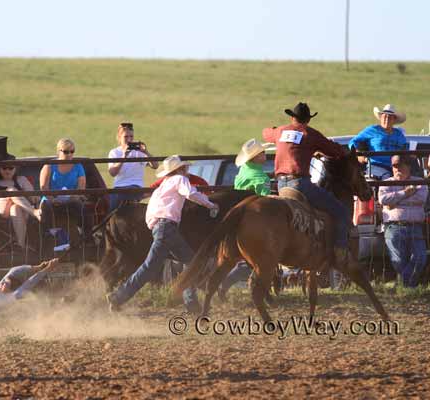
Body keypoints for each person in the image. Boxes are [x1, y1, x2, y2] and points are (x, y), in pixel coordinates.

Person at [106, 155, 219, 314]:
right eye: (185, 168)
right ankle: (118, 297)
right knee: (154, 267)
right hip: (167, 228)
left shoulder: (163, 186)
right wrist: (210, 204)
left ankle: (192, 304)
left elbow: (151, 214)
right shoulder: (180, 179)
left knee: (187, 263)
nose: (187, 170)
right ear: (179, 169)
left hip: (159, 228)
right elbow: (191, 193)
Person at [263, 102, 350, 267]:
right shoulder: (310, 134)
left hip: (281, 185)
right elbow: (334, 151)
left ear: (292, 117)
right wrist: (342, 150)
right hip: (300, 184)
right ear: (308, 120)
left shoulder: (280, 131)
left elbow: (266, 133)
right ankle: (340, 251)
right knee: (341, 211)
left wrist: (274, 129)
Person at [218, 139, 272, 297]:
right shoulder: (261, 177)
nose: (265, 154)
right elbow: (265, 202)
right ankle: (232, 283)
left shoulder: (243, 171)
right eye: (262, 153)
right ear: (255, 157)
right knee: (260, 256)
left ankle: (225, 284)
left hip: (238, 215)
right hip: (255, 218)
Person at [378, 155, 428, 287]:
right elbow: (383, 200)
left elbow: (421, 199)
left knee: (420, 258)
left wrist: (395, 202)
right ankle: (409, 288)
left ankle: (404, 286)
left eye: (400, 165)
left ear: (409, 167)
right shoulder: (385, 183)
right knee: (398, 261)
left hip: (415, 226)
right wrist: (406, 192)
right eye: (395, 166)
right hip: (393, 227)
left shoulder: (419, 182)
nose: (397, 168)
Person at [0, 157, 40, 248]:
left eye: (10, 168)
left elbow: (34, 198)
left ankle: (20, 246)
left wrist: (32, 197)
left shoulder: (21, 180)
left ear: (15, 168)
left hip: (20, 210)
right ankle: (34, 212)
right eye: (4, 168)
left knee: (16, 208)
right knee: (11, 190)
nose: (7, 171)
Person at [39, 138, 87, 241]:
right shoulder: (49, 166)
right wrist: (52, 199)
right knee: (46, 208)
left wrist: (74, 197)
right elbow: (44, 187)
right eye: (66, 151)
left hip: (71, 200)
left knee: (82, 208)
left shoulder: (78, 167)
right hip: (50, 200)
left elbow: (81, 188)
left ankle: (87, 238)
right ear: (59, 151)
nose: (69, 154)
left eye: (72, 151)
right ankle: (46, 239)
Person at [108, 122, 158, 210]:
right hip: (118, 187)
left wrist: (146, 152)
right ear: (119, 137)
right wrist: (124, 157)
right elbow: (112, 173)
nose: (129, 139)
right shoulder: (114, 152)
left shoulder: (139, 152)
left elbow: (155, 166)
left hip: (135, 186)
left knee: (120, 200)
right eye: (126, 137)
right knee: (109, 203)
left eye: (131, 137)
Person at [349, 104, 407, 180]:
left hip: (396, 167)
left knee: (412, 180)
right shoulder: (373, 130)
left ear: (394, 120)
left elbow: (404, 149)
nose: (387, 119)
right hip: (375, 166)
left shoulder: (399, 134)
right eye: (384, 116)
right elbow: (353, 142)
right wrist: (360, 155)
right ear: (380, 118)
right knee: (387, 178)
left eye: (390, 117)